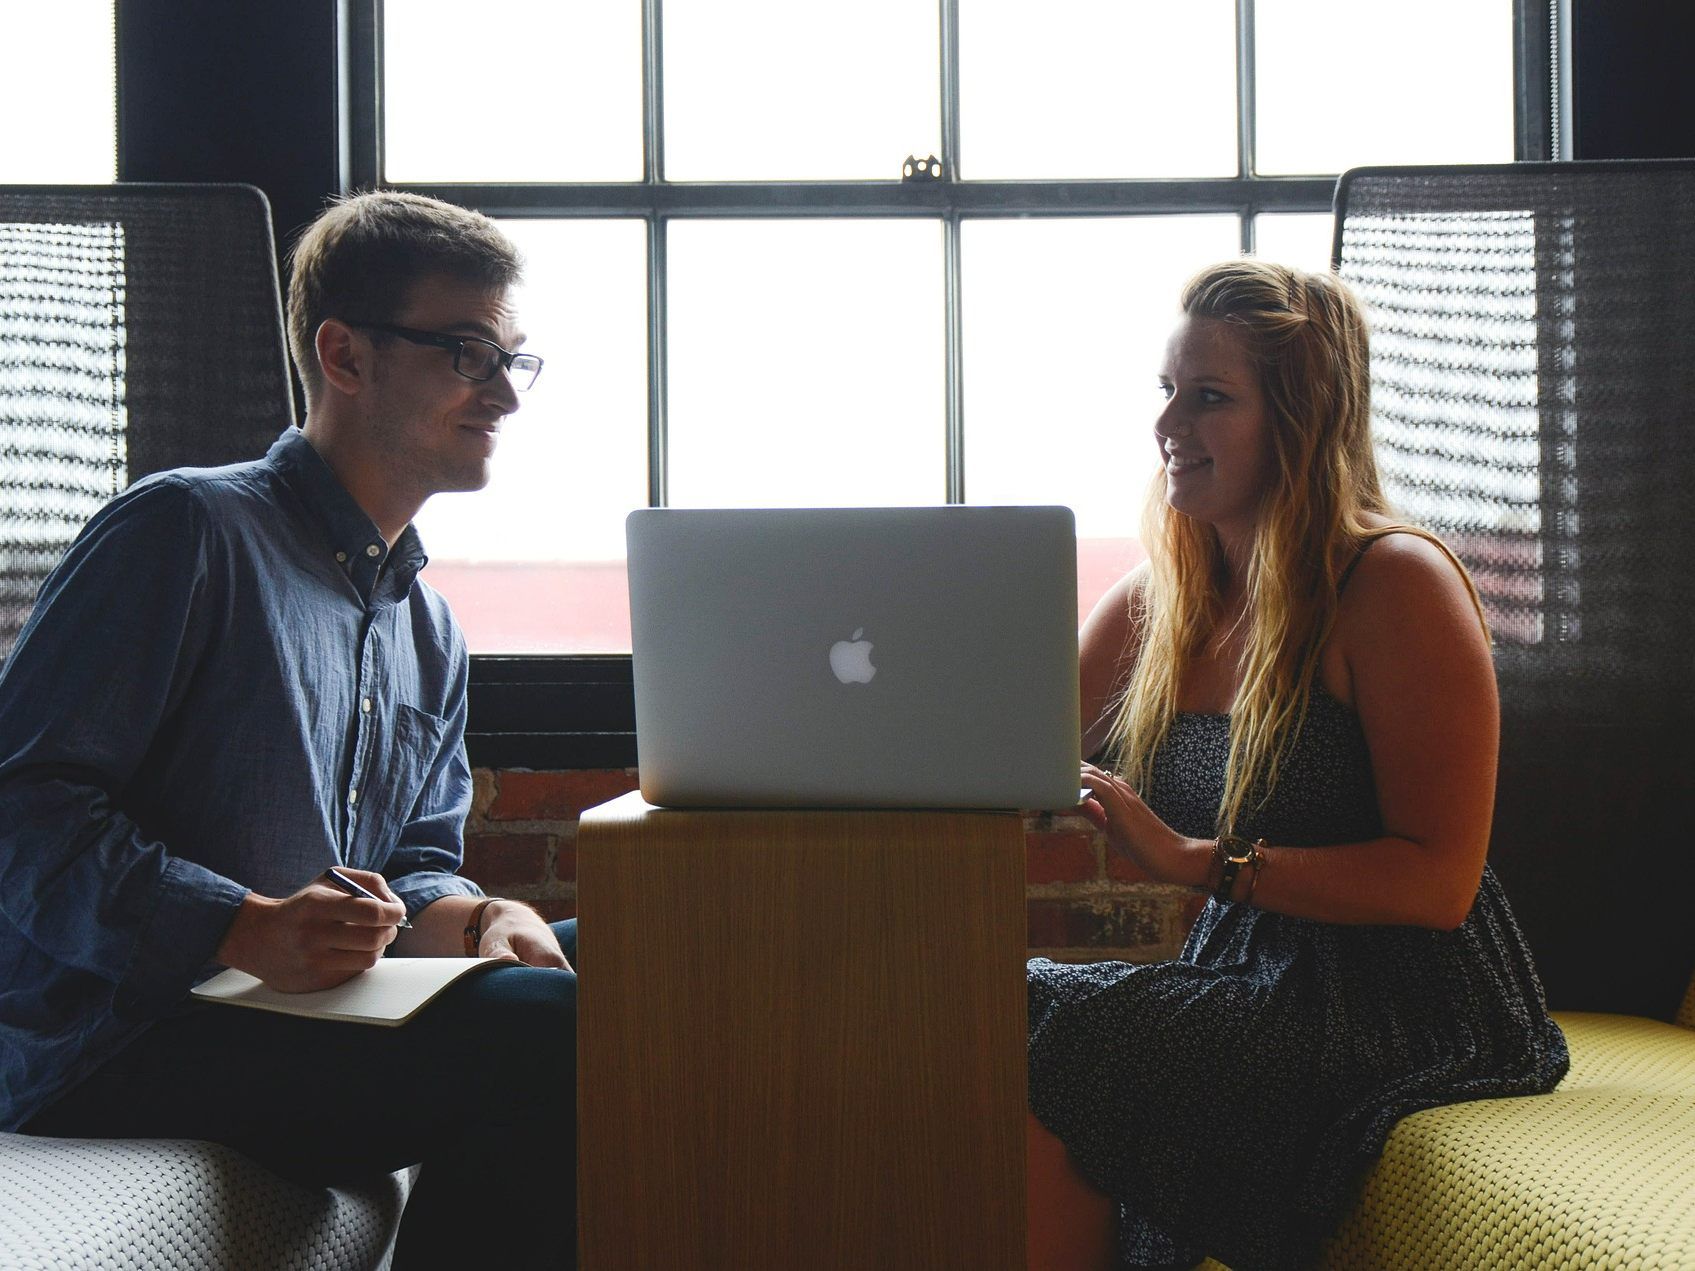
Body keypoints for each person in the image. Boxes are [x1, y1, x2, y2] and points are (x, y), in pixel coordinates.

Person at [0, 191, 576, 1268]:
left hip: (298, 1012)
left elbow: (409, 865)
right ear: (344, 354)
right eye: (467, 352)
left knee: (629, 974)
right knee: (552, 1036)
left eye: (513, 359)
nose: (503, 391)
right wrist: (237, 923)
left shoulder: (428, 626)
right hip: (121, 1036)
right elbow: (21, 804)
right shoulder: (186, 529)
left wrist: (475, 912)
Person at [1026, 259, 1569, 1271]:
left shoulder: (1393, 583)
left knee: (1040, 1017)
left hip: (1407, 1004)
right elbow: (1006, 756)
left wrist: (1201, 861)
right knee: (1003, 1009)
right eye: (1168, 391)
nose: (1169, 424)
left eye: (1210, 397)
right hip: (1245, 976)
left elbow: (1439, 882)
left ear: (1299, 417)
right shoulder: (1164, 601)